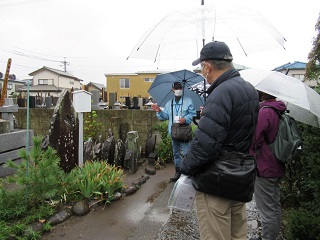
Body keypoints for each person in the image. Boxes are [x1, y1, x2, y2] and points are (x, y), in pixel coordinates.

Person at [180, 41, 259, 239]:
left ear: (208, 66)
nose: (201, 71)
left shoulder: (221, 92)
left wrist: (186, 168)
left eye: (201, 67)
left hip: (217, 181)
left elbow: (206, 144)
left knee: (215, 234)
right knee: (237, 234)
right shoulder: (248, 89)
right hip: (239, 177)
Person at [250, 91, 286, 240]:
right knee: (274, 206)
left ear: (261, 95)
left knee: (267, 209)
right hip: (276, 164)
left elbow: (256, 139)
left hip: (265, 166)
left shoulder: (265, 112)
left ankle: (268, 237)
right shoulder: (278, 109)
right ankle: (272, 236)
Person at [152, 81, 196, 182]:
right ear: (172, 90)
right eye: (176, 88)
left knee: (186, 153)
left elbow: (193, 114)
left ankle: (187, 173)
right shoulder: (169, 103)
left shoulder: (188, 101)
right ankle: (178, 172)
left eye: (179, 88)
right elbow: (165, 116)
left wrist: (185, 119)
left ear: (182, 89)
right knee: (176, 153)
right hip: (174, 132)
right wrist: (159, 111)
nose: (178, 90)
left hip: (184, 132)